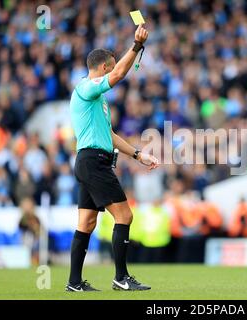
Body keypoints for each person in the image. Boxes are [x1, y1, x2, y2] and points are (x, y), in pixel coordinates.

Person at [66, 24, 159, 292]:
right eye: (113, 65)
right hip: (93, 162)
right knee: (125, 216)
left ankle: (74, 282)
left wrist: (138, 154)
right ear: (104, 67)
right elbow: (119, 74)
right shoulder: (86, 88)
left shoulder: (97, 101)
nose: (116, 69)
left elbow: (109, 134)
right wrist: (137, 46)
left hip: (88, 161)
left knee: (87, 222)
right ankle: (121, 278)